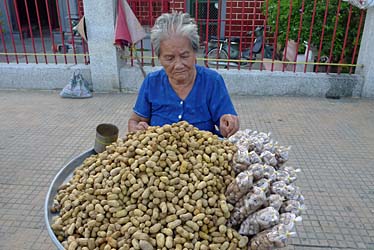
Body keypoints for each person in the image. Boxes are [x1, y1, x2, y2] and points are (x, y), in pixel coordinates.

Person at [128, 12, 239, 138]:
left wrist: (229, 124)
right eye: (169, 58)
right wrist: (137, 129)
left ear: (195, 52)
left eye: (185, 56)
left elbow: (226, 121)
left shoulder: (212, 81)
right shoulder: (152, 82)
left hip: (202, 156)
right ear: (159, 58)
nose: (178, 65)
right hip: (160, 155)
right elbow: (135, 120)